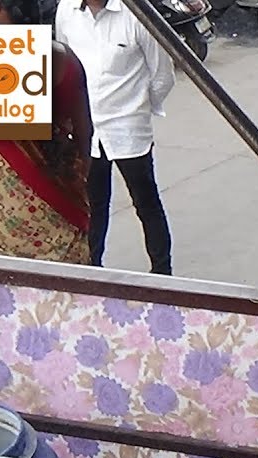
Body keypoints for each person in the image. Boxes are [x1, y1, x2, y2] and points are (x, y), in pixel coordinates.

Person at [0, 0, 93, 264]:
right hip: (64, 193)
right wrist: (73, 180)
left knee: (16, 288)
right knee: (69, 289)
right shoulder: (65, 56)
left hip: (9, 206)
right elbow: (85, 135)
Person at [55, 0, 176, 275]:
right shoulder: (67, 11)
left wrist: (137, 110)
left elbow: (162, 75)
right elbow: (65, 66)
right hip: (85, 130)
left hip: (128, 130)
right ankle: (91, 271)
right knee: (92, 205)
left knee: (146, 203)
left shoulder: (137, 15)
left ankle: (162, 275)